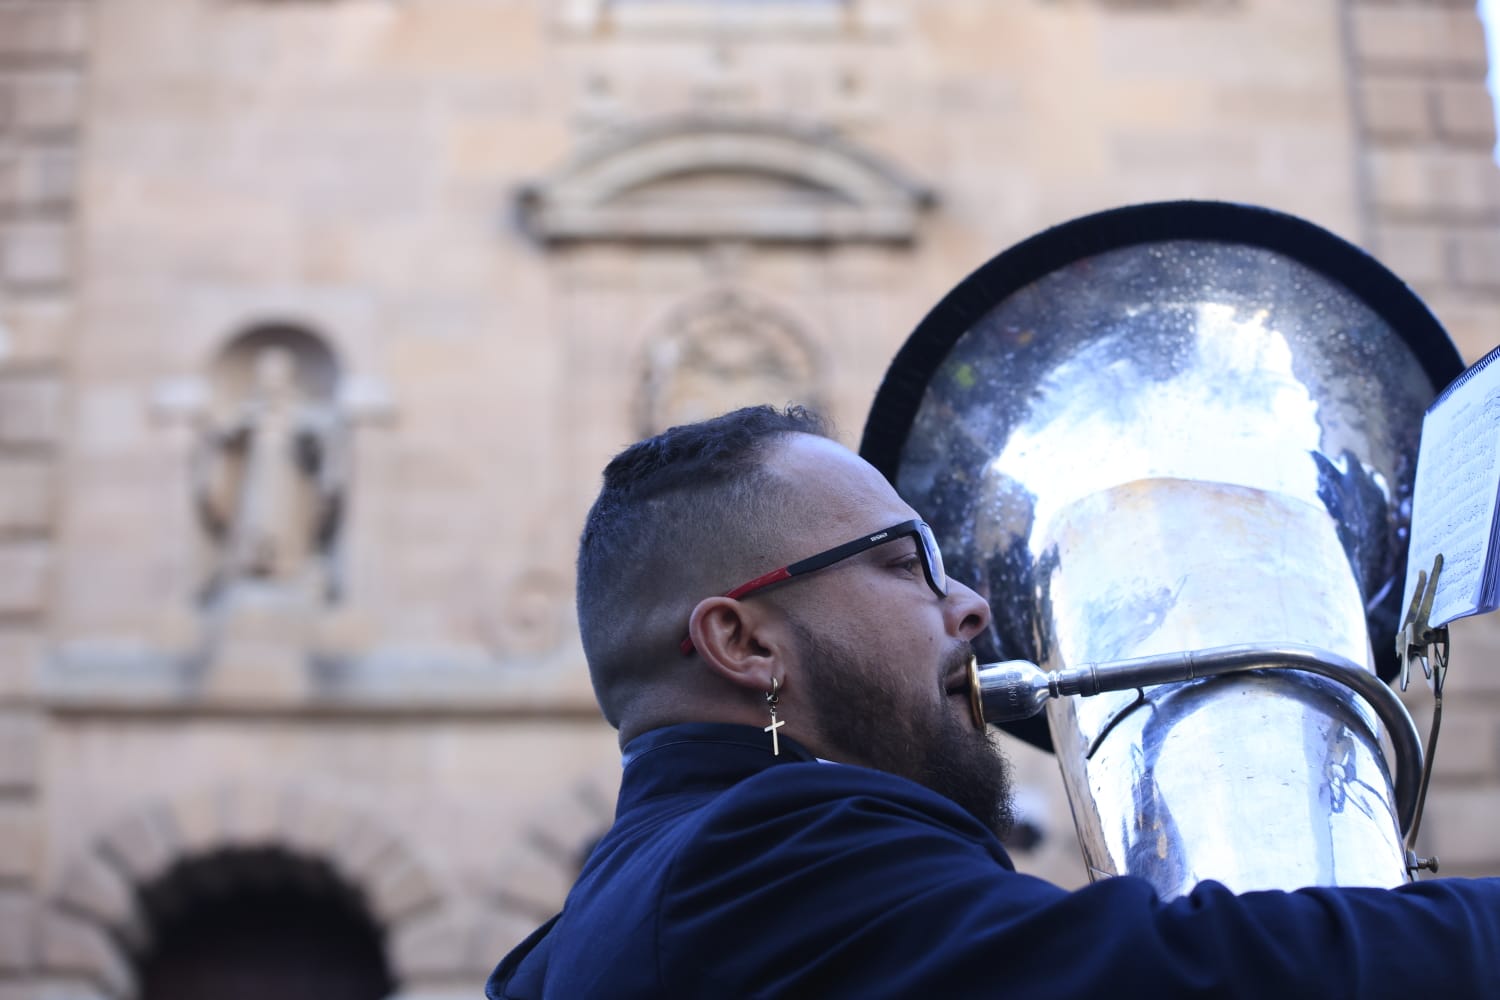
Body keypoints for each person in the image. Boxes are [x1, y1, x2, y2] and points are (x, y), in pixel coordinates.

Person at [487, 405, 1500, 999]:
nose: (971, 606)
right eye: (902, 564)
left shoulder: (563, 946)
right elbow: (1182, 975)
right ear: (743, 640)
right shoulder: (763, 855)